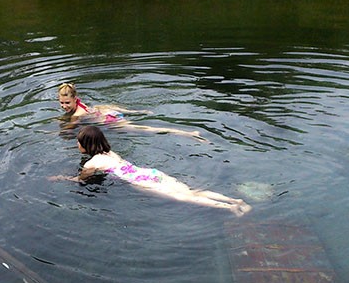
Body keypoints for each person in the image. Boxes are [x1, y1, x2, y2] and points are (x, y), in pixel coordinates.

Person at [68, 125, 250, 215]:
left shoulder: (91, 164)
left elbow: (81, 180)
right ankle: (234, 200)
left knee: (185, 197)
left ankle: (231, 208)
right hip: (150, 173)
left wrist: (62, 178)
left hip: (141, 182)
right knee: (191, 191)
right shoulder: (109, 153)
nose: (77, 144)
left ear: (86, 145)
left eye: (79, 142)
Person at [57, 82, 205, 141]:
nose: (64, 106)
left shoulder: (76, 115)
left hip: (110, 120)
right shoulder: (80, 104)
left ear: (75, 98)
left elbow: (67, 131)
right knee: (102, 105)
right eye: (61, 103)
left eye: (67, 103)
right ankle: (138, 111)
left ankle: (188, 133)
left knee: (146, 129)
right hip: (107, 112)